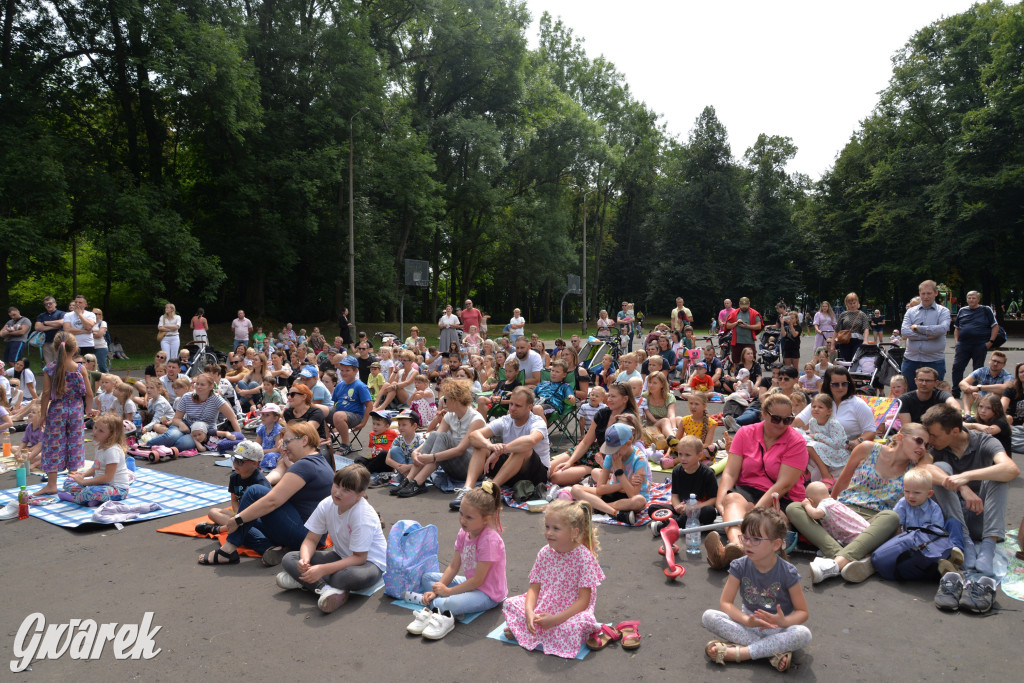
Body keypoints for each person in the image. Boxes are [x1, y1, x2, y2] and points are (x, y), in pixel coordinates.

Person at [785, 423, 930, 583]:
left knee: (891, 517)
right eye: (919, 441)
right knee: (794, 508)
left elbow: (932, 472)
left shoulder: (917, 467)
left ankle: (836, 562)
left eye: (926, 444)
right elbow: (842, 481)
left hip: (873, 522)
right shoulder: (867, 448)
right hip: (843, 508)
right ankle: (845, 556)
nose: (922, 447)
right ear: (901, 437)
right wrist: (829, 505)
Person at [200, 421, 335, 567]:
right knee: (248, 519)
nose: (283, 447)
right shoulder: (318, 460)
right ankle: (271, 548)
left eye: (287, 442)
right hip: (312, 534)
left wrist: (238, 519)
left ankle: (227, 550)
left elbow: (273, 500)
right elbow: (279, 477)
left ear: (304, 440)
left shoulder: (305, 465)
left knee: (254, 492)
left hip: (304, 535)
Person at [702, 507, 811, 673]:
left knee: (803, 633)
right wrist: (746, 620)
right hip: (749, 625)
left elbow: (802, 612)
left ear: (775, 544)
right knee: (709, 616)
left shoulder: (788, 572)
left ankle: (741, 653)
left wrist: (784, 622)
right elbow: (725, 603)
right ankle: (771, 654)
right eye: (745, 537)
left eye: (756, 539)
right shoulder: (740, 565)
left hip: (779, 629)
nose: (747, 543)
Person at [706, 393, 807, 570]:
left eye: (787, 420)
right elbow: (729, 473)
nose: (782, 425)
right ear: (763, 414)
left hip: (782, 497)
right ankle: (738, 546)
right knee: (731, 501)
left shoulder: (796, 441)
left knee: (766, 520)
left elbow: (783, 485)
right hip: (749, 489)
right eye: (776, 419)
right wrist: (721, 503)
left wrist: (755, 512)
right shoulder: (745, 433)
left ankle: (728, 555)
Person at [920, 404, 1019, 576]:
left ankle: (988, 547)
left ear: (955, 431)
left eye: (935, 436)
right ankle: (965, 542)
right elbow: (923, 468)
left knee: (999, 477)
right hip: (952, 522)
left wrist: (967, 476)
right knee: (940, 467)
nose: (930, 440)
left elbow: (1011, 469)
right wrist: (961, 486)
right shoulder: (934, 448)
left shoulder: (984, 441)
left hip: (979, 515)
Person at [275, 464, 388, 614]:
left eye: (346, 489)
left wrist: (322, 569)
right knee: (290, 558)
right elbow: (311, 539)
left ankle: (305, 581)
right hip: (341, 556)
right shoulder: (327, 503)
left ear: (360, 494)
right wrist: (305, 560)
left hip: (371, 564)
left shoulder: (363, 515)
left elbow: (359, 558)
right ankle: (325, 589)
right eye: (337, 485)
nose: (337, 492)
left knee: (345, 577)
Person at [502, 500, 606, 659]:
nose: (549, 532)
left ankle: (525, 632)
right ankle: (534, 630)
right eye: (547, 527)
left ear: (574, 532)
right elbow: (533, 588)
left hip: (570, 611)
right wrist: (529, 612)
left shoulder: (583, 557)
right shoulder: (544, 553)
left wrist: (556, 620)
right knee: (510, 603)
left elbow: (583, 601)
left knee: (576, 625)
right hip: (546, 603)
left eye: (556, 528)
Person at [405, 484, 507, 640]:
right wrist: (437, 590)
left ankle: (440, 612)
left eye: (469, 517)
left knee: (448, 602)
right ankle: (439, 605)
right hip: (471, 584)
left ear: (486, 519)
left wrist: (448, 592)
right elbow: (453, 566)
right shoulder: (464, 533)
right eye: (461, 513)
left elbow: (478, 581)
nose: (462, 520)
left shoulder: (489, 541)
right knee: (428, 579)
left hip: (488, 593)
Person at [397, 379, 486, 498]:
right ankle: (410, 479)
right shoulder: (450, 415)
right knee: (435, 434)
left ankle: (418, 481)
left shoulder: (476, 419)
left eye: (445, 399)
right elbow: (435, 435)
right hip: (453, 464)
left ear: (455, 400)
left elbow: (460, 449)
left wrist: (432, 457)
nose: (443, 402)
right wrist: (416, 451)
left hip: (471, 468)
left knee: (443, 437)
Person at [33, 333, 95, 496]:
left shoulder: (50, 368)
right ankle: (72, 482)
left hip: (57, 410)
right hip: (75, 410)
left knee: (53, 444)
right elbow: (89, 393)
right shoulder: (80, 368)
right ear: (75, 349)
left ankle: (52, 484)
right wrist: (88, 409)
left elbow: (46, 393)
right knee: (74, 443)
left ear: (55, 348)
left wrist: (43, 415)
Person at [549, 382, 640, 486]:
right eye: (609, 395)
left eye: (613, 396)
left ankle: (589, 473)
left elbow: (622, 452)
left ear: (625, 399)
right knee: (548, 469)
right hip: (589, 449)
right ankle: (579, 470)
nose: (609, 399)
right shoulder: (603, 413)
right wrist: (570, 461)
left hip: (603, 458)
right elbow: (586, 442)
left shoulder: (627, 420)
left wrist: (604, 465)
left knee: (555, 478)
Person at [570, 419, 649, 525]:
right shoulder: (611, 456)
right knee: (575, 489)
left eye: (615, 450)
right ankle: (613, 511)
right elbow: (600, 489)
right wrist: (623, 483)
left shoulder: (639, 459)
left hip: (629, 498)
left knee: (640, 501)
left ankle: (598, 507)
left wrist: (619, 471)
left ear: (628, 444)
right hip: (614, 491)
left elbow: (632, 494)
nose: (612, 453)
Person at [148, 371, 241, 454]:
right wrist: (181, 424)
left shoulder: (216, 398)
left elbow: (232, 418)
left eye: (202, 385)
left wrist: (240, 438)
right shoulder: (187, 397)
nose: (198, 387)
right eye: (197, 384)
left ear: (211, 387)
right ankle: (146, 445)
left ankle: (164, 448)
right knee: (171, 436)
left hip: (204, 431)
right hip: (187, 425)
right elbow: (176, 418)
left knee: (183, 444)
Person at [793, 367, 875, 449]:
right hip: (819, 448)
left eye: (844, 384)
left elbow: (871, 431)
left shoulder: (858, 404)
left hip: (847, 449)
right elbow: (797, 422)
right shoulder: (821, 402)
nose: (840, 387)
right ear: (828, 385)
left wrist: (857, 441)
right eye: (836, 384)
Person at [58, 413, 131, 506]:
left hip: (117, 489)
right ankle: (95, 500)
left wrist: (84, 482)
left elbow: (108, 477)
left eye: (101, 431)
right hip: (101, 485)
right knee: (68, 482)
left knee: (91, 491)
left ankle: (74, 499)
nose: (95, 432)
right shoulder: (99, 444)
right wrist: (82, 475)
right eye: (95, 427)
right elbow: (96, 467)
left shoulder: (112, 450)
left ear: (112, 434)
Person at [650, 435, 719, 533]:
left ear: (699, 456)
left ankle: (671, 525)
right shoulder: (677, 471)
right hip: (682, 510)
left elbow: (714, 499)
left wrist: (694, 508)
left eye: (687, 455)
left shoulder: (707, 473)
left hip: (698, 509)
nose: (682, 458)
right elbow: (674, 496)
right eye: (680, 454)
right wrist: (677, 507)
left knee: (709, 512)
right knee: (653, 508)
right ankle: (680, 523)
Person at [901, 280, 951, 391]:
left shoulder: (943, 311)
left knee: (935, 394)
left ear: (936, 293)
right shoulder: (910, 312)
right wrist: (927, 336)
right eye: (923, 293)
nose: (926, 296)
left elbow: (942, 329)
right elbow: (904, 331)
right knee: (909, 394)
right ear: (919, 293)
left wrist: (917, 328)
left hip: (934, 361)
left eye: (929, 293)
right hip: (911, 360)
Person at [952, 291, 1001, 399]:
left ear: (978, 299)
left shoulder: (985, 309)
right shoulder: (962, 310)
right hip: (963, 345)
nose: (971, 300)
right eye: (969, 298)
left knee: (977, 369)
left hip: (980, 345)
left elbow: (995, 326)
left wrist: (990, 343)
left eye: (973, 298)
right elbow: (957, 328)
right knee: (957, 367)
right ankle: (956, 391)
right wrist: (957, 342)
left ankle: (974, 392)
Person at [799, 481, 869, 546]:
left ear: (811, 501)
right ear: (829, 495)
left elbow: (815, 514)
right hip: (865, 531)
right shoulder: (834, 502)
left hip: (855, 538)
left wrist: (807, 505)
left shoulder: (824, 505)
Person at [800, 393, 849, 480]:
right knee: (801, 440)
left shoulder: (833, 423)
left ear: (829, 411)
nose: (816, 409)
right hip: (822, 449)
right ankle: (804, 471)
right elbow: (812, 438)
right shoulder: (812, 422)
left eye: (820, 407)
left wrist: (818, 436)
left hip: (838, 453)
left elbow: (836, 445)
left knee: (810, 446)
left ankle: (826, 475)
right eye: (814, 406)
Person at [331, 356, 372, 456]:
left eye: (347, 370)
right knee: (320, 410)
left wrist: (363, 423)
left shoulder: (360, 386)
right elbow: (333, 404)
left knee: (338, 415)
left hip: (355, 416)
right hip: (340, 414)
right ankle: (328, 439)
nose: (344, 373)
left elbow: (370, 405)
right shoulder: (339, 385)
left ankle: (346, 444)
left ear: (355, 371)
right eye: (342, 370)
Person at [897, 367, 962, 425]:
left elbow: (955, 406)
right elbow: (907, 426)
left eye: (928, 381)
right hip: (915, 433)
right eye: (921, 380)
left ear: (936, 383)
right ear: (915, 381)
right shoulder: (905, 399)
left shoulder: (942, 395)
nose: (924, 383)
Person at [893, 467, 946, 531]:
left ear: (929, 494)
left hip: (926, 538)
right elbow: (896, 525)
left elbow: (938, 530)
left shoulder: (934, 508)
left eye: (917, 493)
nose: (911, 496)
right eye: (907, 491)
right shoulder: (903, 503)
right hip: (906, 538)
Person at [958, 350, 1010, 414]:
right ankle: (967, 414)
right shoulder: (981, 371)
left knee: (996, 394)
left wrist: (979, 388)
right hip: (980, 399)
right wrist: (972, 390)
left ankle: (995, 416)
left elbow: (1006, 388)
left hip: (995, 403)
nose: (995, 364)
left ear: (1004, 365)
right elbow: (962, 383)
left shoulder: (1007, 375)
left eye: (999, 362)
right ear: (990, 361)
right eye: (994, 361)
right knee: (967, 392)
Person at [725, 297, 763, 365]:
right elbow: (727, 325)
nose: (744, 308)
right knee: (736, 362)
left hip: (749, 342)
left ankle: (751, 375)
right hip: (737, 342)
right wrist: (736, 323)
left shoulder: (754, 313)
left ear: (749, 304)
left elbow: (759, 326)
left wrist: (747, 326)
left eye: (746, 306)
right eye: (742, 306)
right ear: (739, 304)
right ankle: (736, 375)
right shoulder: (734, 313)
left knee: (751, 361)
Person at [835, 292, 870, 362]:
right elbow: (837, 330)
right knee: (845, 361)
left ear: (857, 303)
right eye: (850, 303)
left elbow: (866, 328)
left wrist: (865, 340)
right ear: (846, 304)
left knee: (855, 360)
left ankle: (853, 373)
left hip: (858, 341)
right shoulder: (843, 314)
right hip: (844, 341)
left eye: (854, 303)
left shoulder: (862, 315)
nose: (852, 305)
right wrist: (833, 344)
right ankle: (846, 372)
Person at [34, 297, 66, 365]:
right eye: (46, 304)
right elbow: (37, 327)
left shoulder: (61, 313)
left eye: (50, 303)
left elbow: (62, 322)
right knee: (49, 364)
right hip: (46, 342)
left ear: (55, 304)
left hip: (59, 342)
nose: (48, 305)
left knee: (59, 363)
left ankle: (59, 376)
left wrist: (45, 323)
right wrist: (54, 326)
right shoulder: (41, 315)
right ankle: (50, 376)